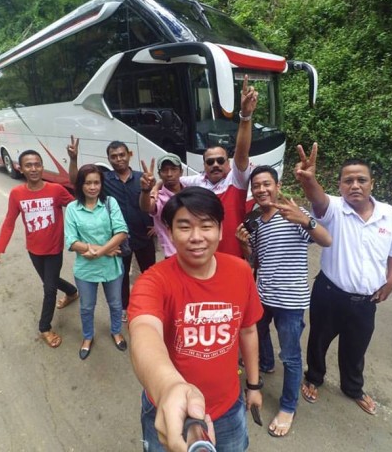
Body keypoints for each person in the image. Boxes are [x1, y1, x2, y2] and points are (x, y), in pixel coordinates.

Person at [128, 187, 264, 452]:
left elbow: (247, 331)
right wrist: (169, 387)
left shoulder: (240, 271)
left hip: (228, 408)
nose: (197, 237)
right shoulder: (153, 281)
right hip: (170, 409)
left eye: (206, 226)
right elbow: (144, 333)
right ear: (169, 232)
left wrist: (254, 385)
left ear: (221, 230)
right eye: (184, 227)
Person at [294, 143, 392, 415]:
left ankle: (353, 387)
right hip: (329, 293)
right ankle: (314, 378)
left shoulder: (389, 215)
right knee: (318, 340)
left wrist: (391, 280)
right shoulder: (334, 208)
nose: (355, 185)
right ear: (340, 185)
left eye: (361, 180)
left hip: (366, 300)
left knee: (356, 346)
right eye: (348, 181)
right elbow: (318, 200)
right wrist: (310, 181)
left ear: (372, 183)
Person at [235, 165, 331, 437]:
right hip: (263, 295)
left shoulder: (293, 215)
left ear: (277, 187)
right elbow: (255, 262)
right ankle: (265, 365)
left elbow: (327, 240)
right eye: (256, 186)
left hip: (290, 301)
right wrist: (244, 246)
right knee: (258, 335)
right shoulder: (255, 222)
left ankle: (288, 406)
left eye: (267, 184)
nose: (262, 189)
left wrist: (306, 220)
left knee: (290, 356)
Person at [0, 150, 79, 349]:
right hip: (34, 250)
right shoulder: (17, 194)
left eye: (37, 164)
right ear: (21, 168)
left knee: (49, 289)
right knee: (50, 281)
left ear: (42, 166)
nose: (34, 168)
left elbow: (77, 209)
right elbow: (9, 222)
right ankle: (72, 292)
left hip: (54, 249)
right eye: (28, 165)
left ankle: (44, 327)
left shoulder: (56, 190)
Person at [68, 138, 156, 323]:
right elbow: (77, 181)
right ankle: (124, 307)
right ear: (108, 159)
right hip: (117, 240)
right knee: (121, 275)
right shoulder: (104, 180)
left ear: (129, 155)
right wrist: (74, 159)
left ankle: (152, 305)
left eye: (122, 155)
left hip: (143, 236)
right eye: (113, 156)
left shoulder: (142, 178)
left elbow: (156, 204)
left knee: (149, 274)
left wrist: (158, 224)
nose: (118, 159)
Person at [179, 75, 258, 258]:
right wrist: (156, 186)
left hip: (234, 255)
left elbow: (242, 151)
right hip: (205, 256)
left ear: (229, 163)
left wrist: (245, 116)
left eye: (220, 160)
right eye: (210, 161)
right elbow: (173, 180)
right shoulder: (197, 182)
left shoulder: (236, 179)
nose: (215, 164)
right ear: (204, 166)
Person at [64, 164, 129, 360]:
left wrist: (100, 252)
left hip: (111, 267)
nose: (92, 187)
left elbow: (122, 231)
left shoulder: (110, 203)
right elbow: (71, 240)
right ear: (80, 185)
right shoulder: (72, 208)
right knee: (86, 307)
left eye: (96, 183)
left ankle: (116, 331)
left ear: (102, 184)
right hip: (85, 269)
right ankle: (87, 337)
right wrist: (101, 250)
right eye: (88, 183)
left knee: (116, 304)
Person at [139, 153, 184, 258]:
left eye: (173, 169)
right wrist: (146, 191)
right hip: (173, 255)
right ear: (159, 174)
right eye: (164, 170)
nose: (169, 174)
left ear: (181, 172)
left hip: (193, 252)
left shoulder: (190, 188)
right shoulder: (158, 197)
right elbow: (147, 207)